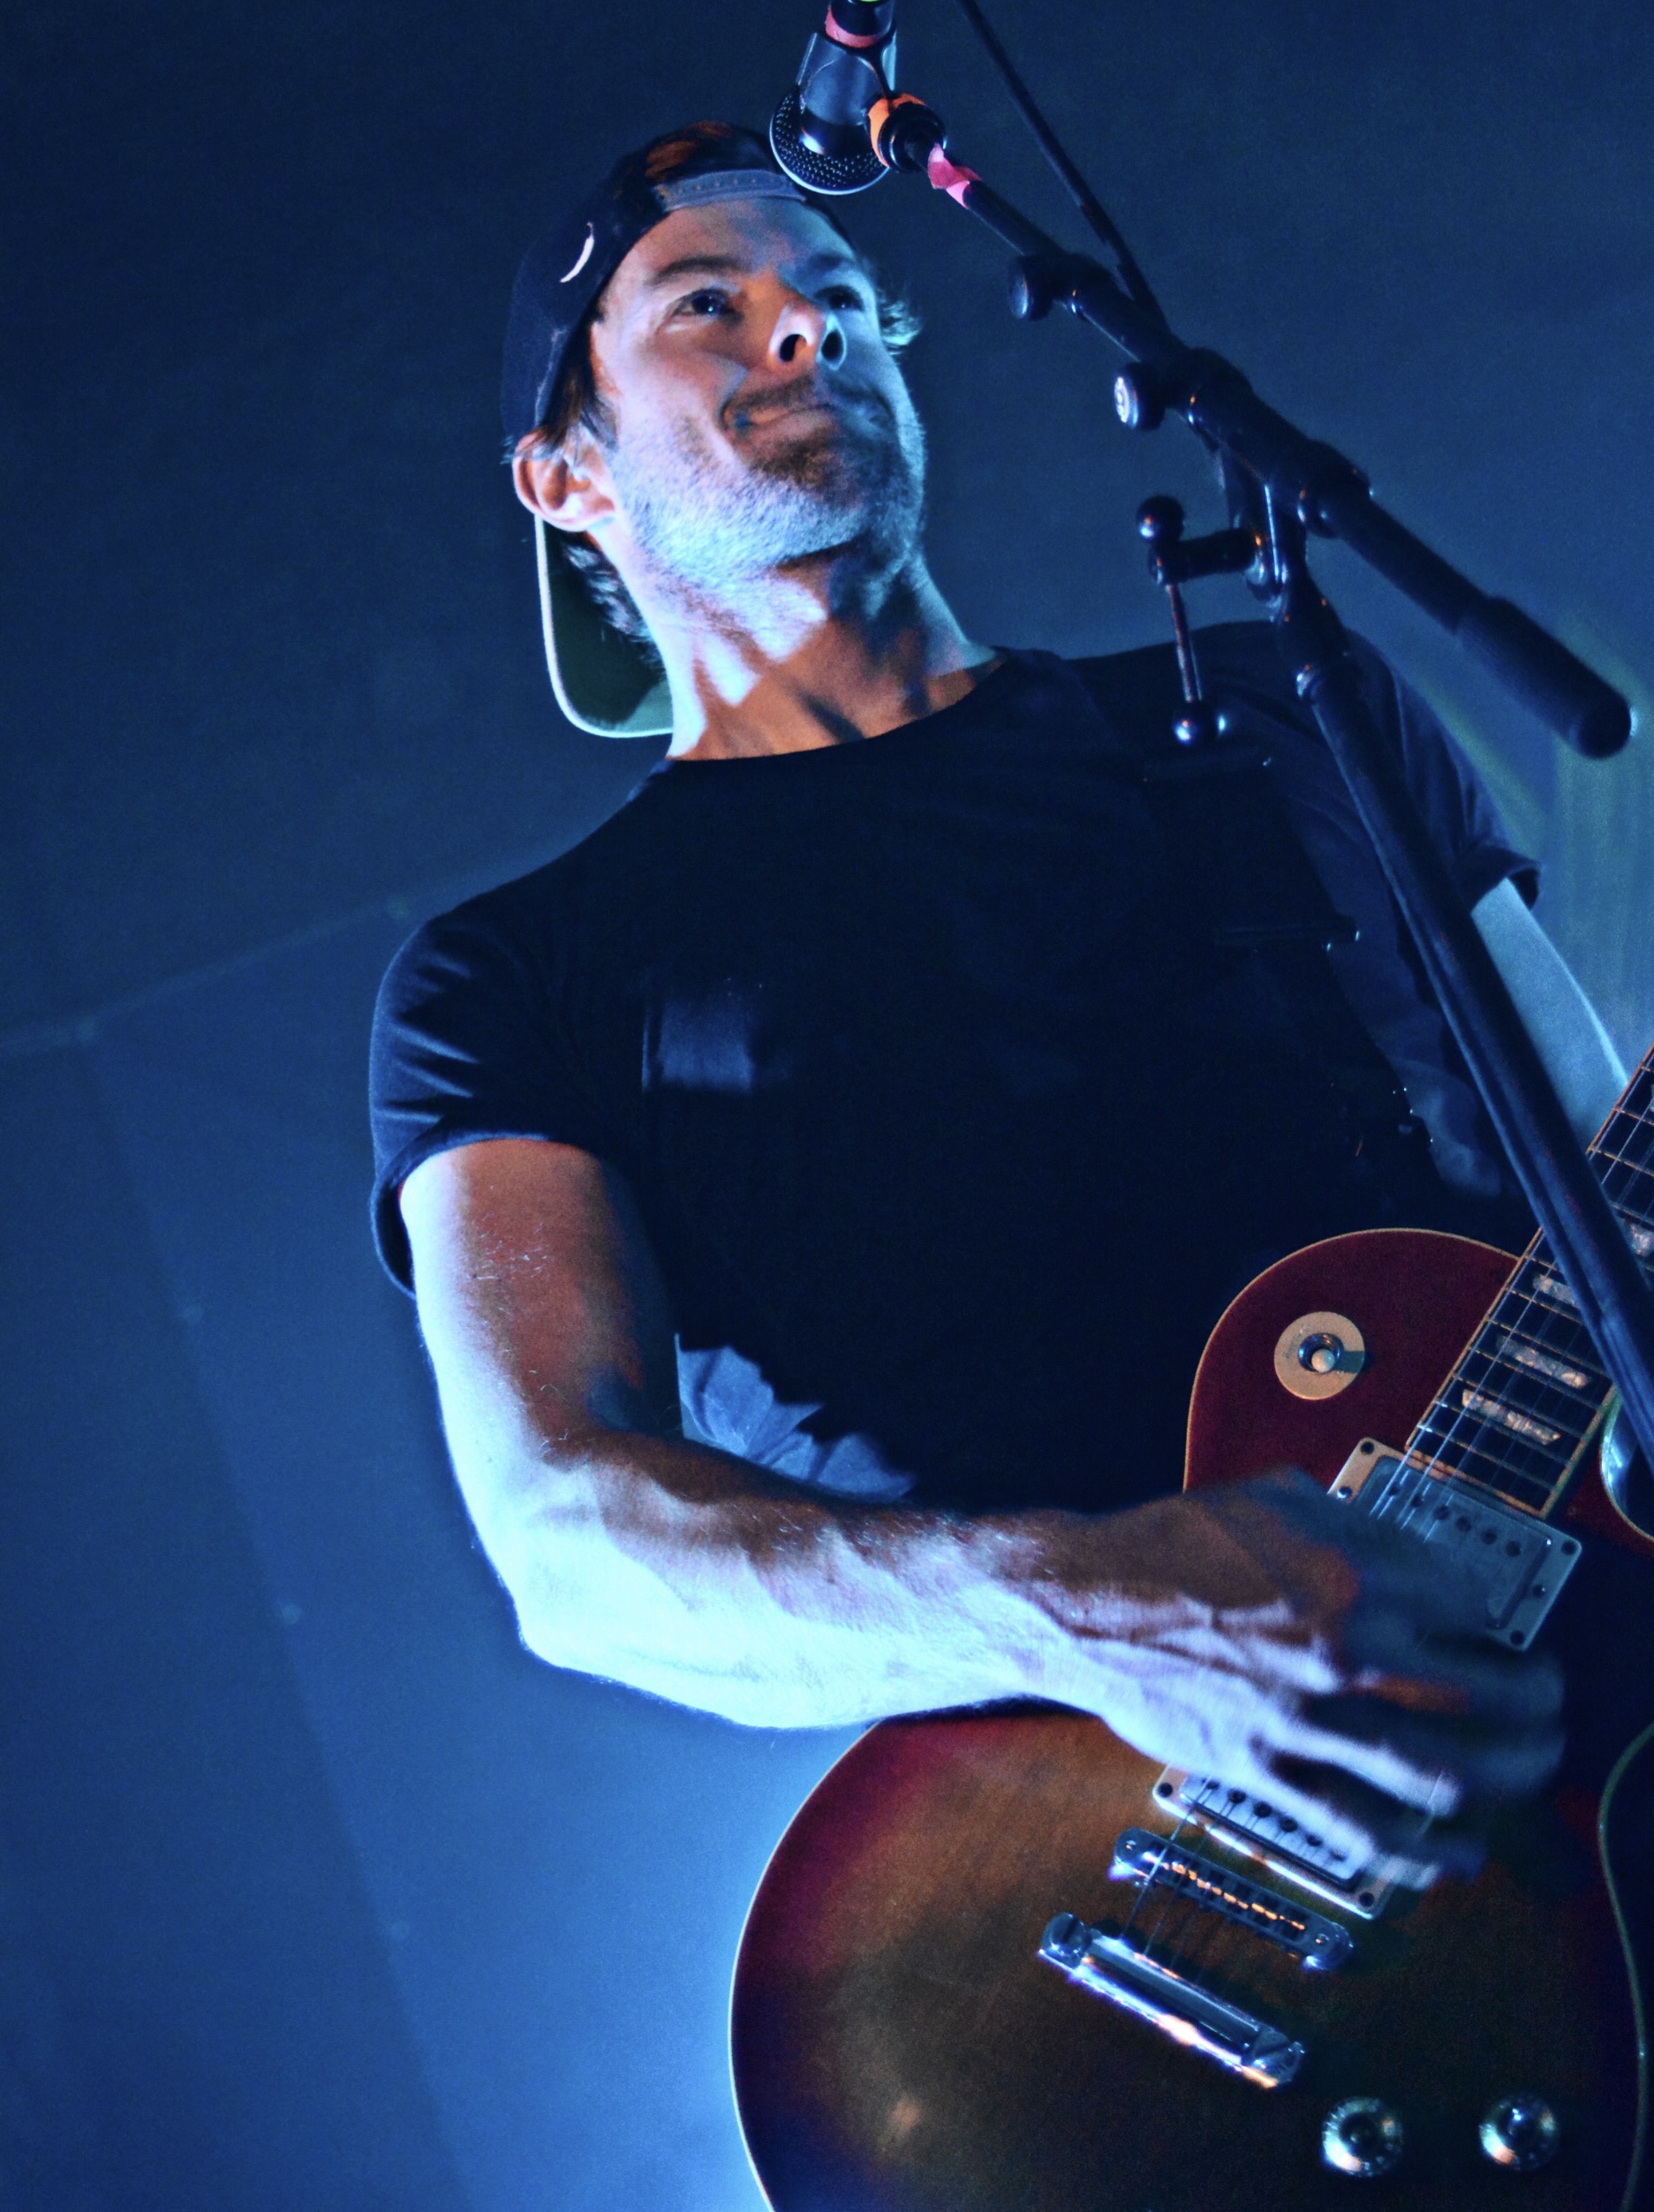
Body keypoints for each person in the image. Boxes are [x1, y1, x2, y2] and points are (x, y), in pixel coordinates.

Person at [372, 121, 1624, 1881]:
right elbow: (572, 1546)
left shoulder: (1277, 708)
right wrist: (1100, 1616)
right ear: (564, 474)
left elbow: (1612, 1182)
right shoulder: (514, 974)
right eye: (707, 303)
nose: (804, 324)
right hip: (1101, 1886)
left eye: (839, 294)